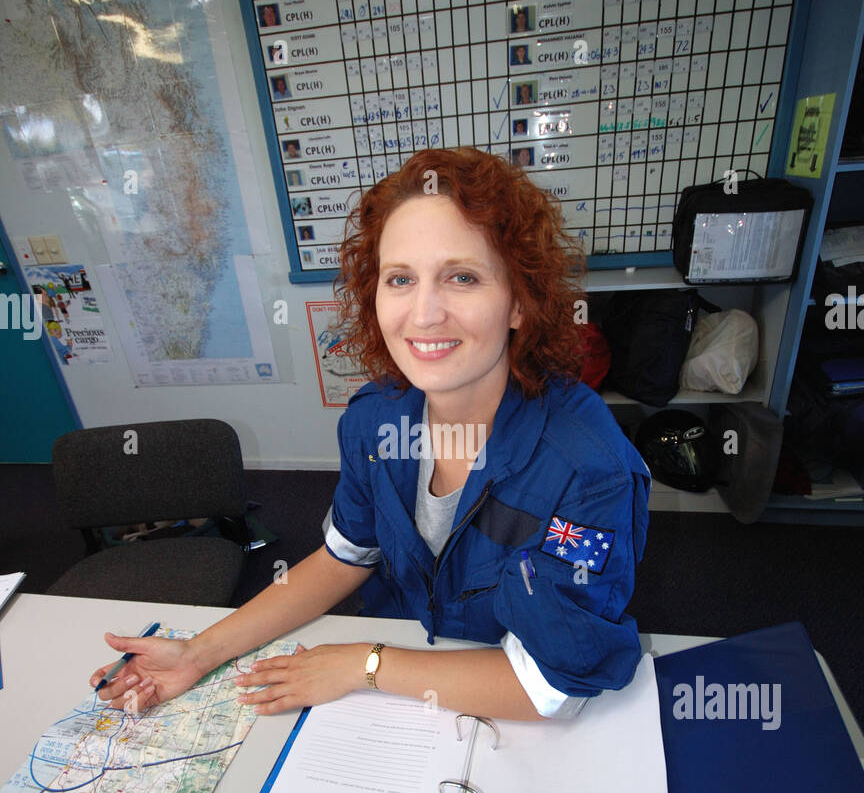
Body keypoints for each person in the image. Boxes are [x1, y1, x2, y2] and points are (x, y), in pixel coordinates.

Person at [90, 148, 650, 723]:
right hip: (403, 690)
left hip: (494, 709)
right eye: (400, 279)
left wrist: (365, 664)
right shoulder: (374, 422)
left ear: (518, 302)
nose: (425, 314)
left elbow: (551, 685)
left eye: (462, 277)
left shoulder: (589, 468)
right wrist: (197, 651)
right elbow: (344, 559)